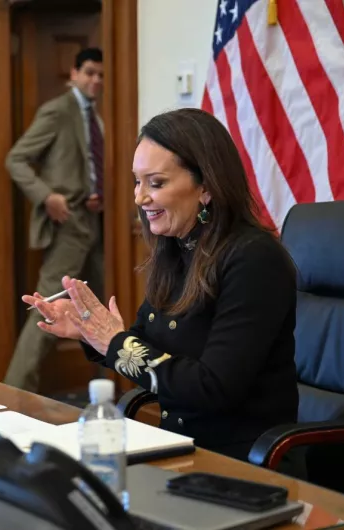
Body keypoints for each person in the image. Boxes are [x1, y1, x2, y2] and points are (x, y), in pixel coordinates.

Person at [27, 108, 299, 461]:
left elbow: (212, 388)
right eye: (137, 182)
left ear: (206, 187)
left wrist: (114, 341)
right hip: (180, 450)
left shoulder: (253, 259)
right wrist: (90, 331)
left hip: (242, 464)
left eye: (156, 183)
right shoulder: (177, 248)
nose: (140, 197)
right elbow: (145, 344)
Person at [4, 47, 105, 392]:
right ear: (73, 74)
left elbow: (88, 165)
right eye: (90, 72)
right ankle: (14, 393)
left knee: (101, 312)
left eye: (101, 75)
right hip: (68, 226)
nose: (96, 80)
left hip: (97, 223)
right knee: (46, 307)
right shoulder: (58, 111)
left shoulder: (98, 115)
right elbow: (16, 159)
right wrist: (47, 196)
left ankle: (110, 391)